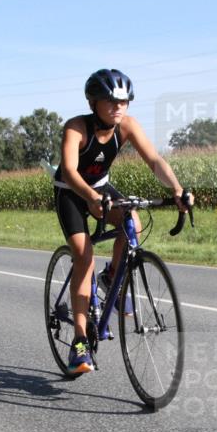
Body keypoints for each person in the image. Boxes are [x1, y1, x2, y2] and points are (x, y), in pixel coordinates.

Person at [53, 68, 189, 374]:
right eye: (111, 102)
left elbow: (154, 160)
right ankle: (79, 342)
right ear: (93, 103)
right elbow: (71, 171)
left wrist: (177, 189)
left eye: (124, 102)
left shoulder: (127, 126)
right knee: (84, 256)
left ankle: (111, 277)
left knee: (133, 225)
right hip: (71, 192)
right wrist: (89, 197)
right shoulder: (76, 128)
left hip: (101, 189)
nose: (119, 107)